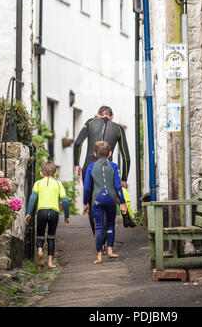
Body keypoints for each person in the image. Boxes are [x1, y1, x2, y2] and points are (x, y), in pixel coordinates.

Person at [74, 105, 130, 237]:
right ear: (112, 117)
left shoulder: (90, 122)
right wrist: (124, 178)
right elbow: (126, 157)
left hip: (89, 166)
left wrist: (76, 164)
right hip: (108, 168)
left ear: (98, 115)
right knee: (109, 198)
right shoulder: (118, 128)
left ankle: (99, 238)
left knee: (91, 202)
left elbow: (77, 143)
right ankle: (108, 237)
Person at [83, 141, 127, 264]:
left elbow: (87, 188)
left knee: (99, 227)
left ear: (95, 153)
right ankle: (110, 250)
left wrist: (85, 203)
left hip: (97, 198)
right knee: (111, 224)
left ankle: (99, 255)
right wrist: (123, 203)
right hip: (111, 198)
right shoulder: (114, 166)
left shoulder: (91, 167)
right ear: (110, 153)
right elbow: (118, 187)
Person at [25, 161, 70, 269]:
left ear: (41, 173)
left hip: (42, 212)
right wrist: (66, 216)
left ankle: (40, 251)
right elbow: (65, 201)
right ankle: (50, 262)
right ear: (55, 174)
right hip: (54, 212)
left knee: (40, 235)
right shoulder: (59, 184)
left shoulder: (38, 183)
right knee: (51, 237)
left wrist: (28, 213)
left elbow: (32, 198)